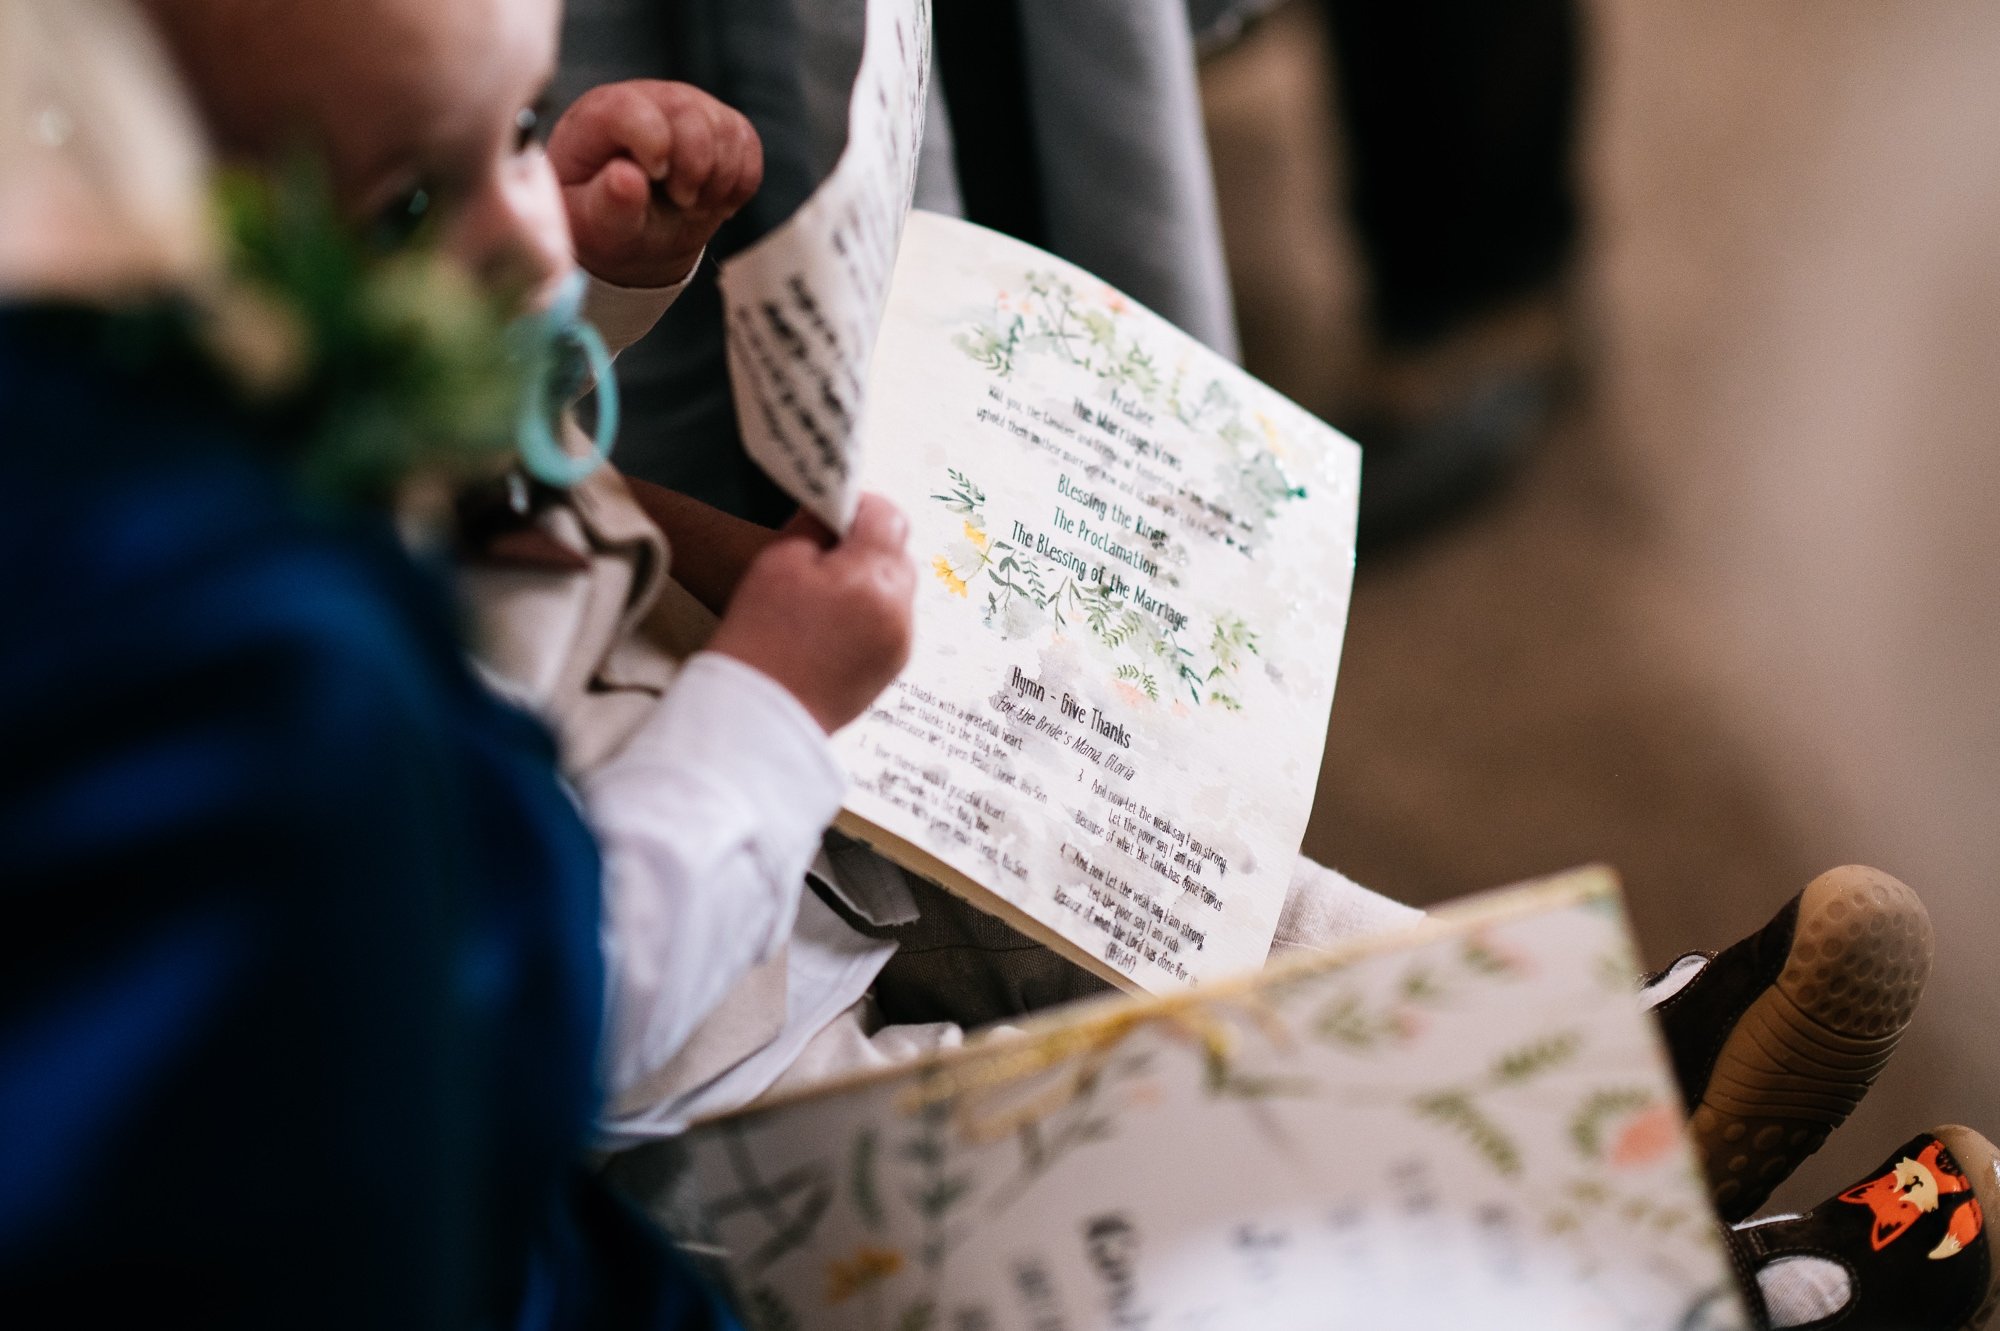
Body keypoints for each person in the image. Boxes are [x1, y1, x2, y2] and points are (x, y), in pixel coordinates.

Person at [1, 0, 909, 1325]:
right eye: (407, 207)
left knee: (1309, 937)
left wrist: (600, 265)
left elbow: (480, 418)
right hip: (718, 1070)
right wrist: (771, 706)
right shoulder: (260, 666)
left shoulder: (283, 376)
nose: (531, 224)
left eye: (525, 126)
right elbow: (560, 1006)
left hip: (828, 852)